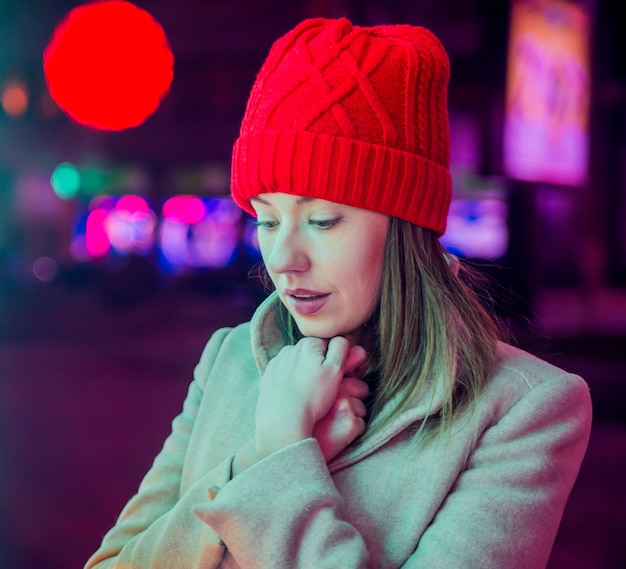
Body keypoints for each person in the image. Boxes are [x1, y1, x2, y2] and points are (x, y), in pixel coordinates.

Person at [85, 17, 592, 569]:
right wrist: (264, 452)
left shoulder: (525, 410)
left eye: (322, 220)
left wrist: (282, 466)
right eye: (267, 220)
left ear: (404, 229)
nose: (282, 260)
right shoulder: (228, 361)